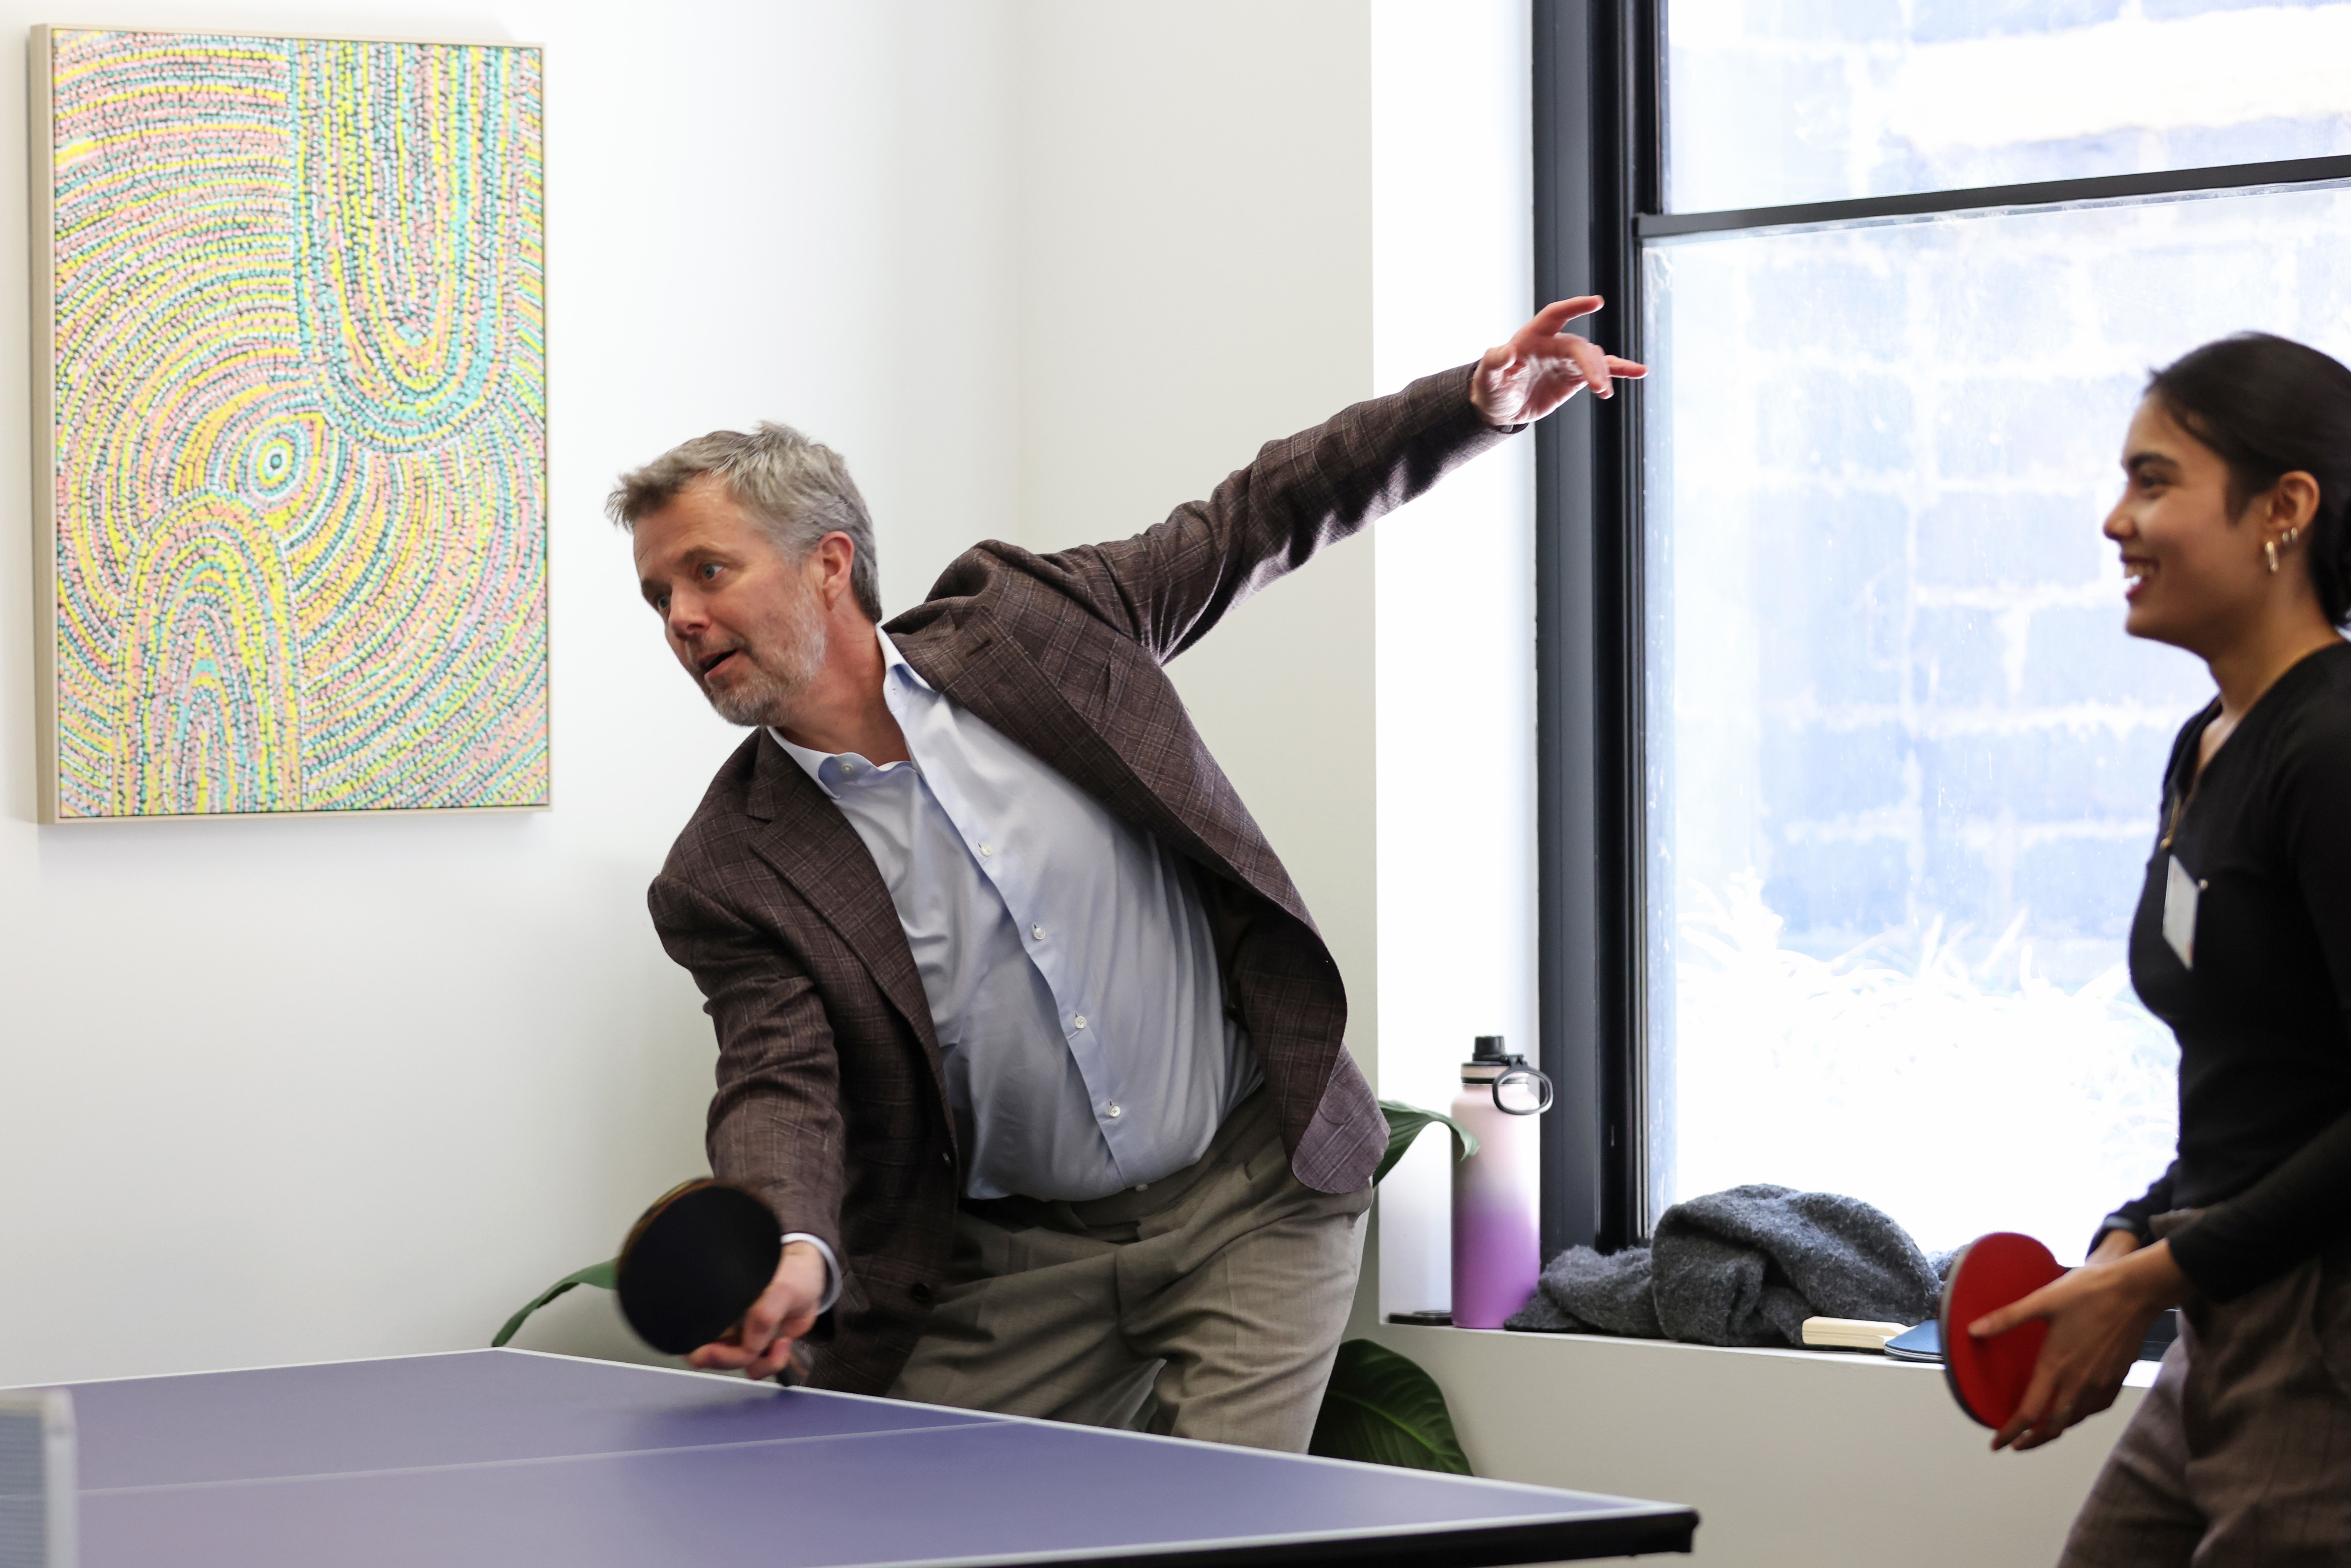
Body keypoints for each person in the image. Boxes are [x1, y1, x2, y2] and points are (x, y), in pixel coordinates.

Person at [609, 299, 1644, 1451]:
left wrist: (1467, 407)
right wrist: (792, 1244)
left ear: (827, 566)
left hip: (1249, 1202)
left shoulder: (1035, 625)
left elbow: (1258, 515)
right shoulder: (725, 869)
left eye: (708, 571)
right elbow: (779, 1083)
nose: (684, 619)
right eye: (660, 596)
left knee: (1215, 1540)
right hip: (1012, 1267)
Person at [1969, 332, 2351, 1563]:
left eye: (2152, 481)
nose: (2111, 521)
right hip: (2220, 1311)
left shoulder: (2333, 749)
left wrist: (2150, 1277)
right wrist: (2136, 1232)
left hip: (2322, 1338)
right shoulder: (2205, 744)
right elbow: (2263, 1082)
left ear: (2281, 510)